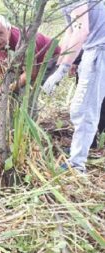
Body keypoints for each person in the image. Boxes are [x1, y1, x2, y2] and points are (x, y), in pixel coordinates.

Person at [42, 0, 105, 172]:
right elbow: (70, 33)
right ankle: (81, 149)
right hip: (92, 50)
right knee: (86, 106)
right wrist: (59, 65)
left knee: (83, 109)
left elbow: (81, 30)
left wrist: (63, 69)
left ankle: (77, 165)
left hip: (99, 51)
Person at [0, 15, 61, 93]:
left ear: (9, 29)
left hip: (49, 57)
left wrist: (11, 88)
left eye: (0, 33)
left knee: (30, 92)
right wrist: (4, 81)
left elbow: (30, 73)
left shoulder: (22, 42)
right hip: (23, 64)